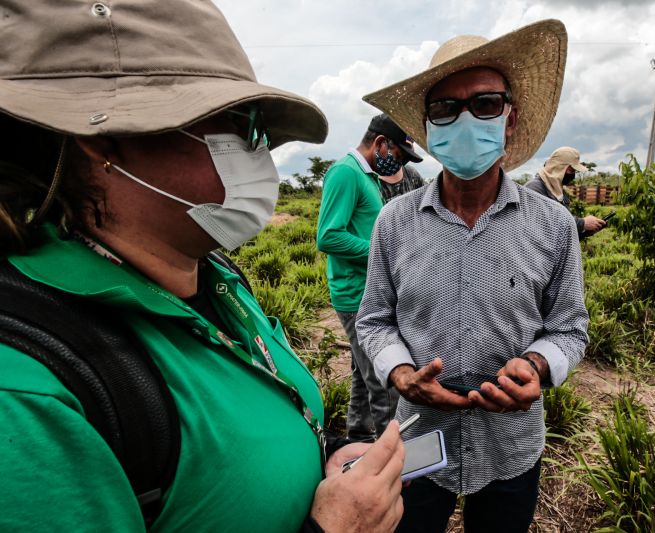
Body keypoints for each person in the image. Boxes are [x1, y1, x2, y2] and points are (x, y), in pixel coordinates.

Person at [0, 2, 404, 532]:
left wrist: (323, 454)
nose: (258, 152)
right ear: (101, 138)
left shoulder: (215, 277)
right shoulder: (26, 393)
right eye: (240, 123)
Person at [357, 20, 589, 532]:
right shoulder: (394, 221)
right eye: (445, 108)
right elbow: (374, 321)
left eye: (485, 104)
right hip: (417, 433)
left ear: (510, 119)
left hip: (512, 438)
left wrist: (537, 365)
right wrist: (400, 374)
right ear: (428, 128)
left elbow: (570, 327)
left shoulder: (551, 224)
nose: (466, 120)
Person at [317, 113, 422, 442]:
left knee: (363, 375)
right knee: (384, 381)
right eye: (399, 156)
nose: (400, 164)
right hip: (354, 296)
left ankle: (358, 440)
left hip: (367, 291)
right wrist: (383, 251)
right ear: (381, 144)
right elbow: (328, 236)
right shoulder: (345, 173)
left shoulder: (366, 176)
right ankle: (394, 458)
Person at [525, 146, 607, 238]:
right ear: (560, 167)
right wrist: (582, 223)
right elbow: (542, 225)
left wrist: (586, 231)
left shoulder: (558, 190)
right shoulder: (534, 189)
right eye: (571, 170)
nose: (573, 175)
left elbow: (563, 234)